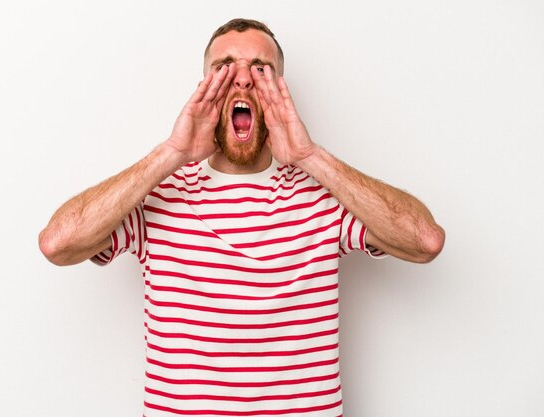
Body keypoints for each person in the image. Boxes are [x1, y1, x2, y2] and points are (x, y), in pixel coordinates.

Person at [39, 18, 444, 417]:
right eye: (224, 68)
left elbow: (424, 241)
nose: (243, 79)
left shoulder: (325, 197)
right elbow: (58, 244)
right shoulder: (159, 196)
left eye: (261, 69)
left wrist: (310, 157)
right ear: (204, 89)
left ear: (280, 89)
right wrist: (171, 154)